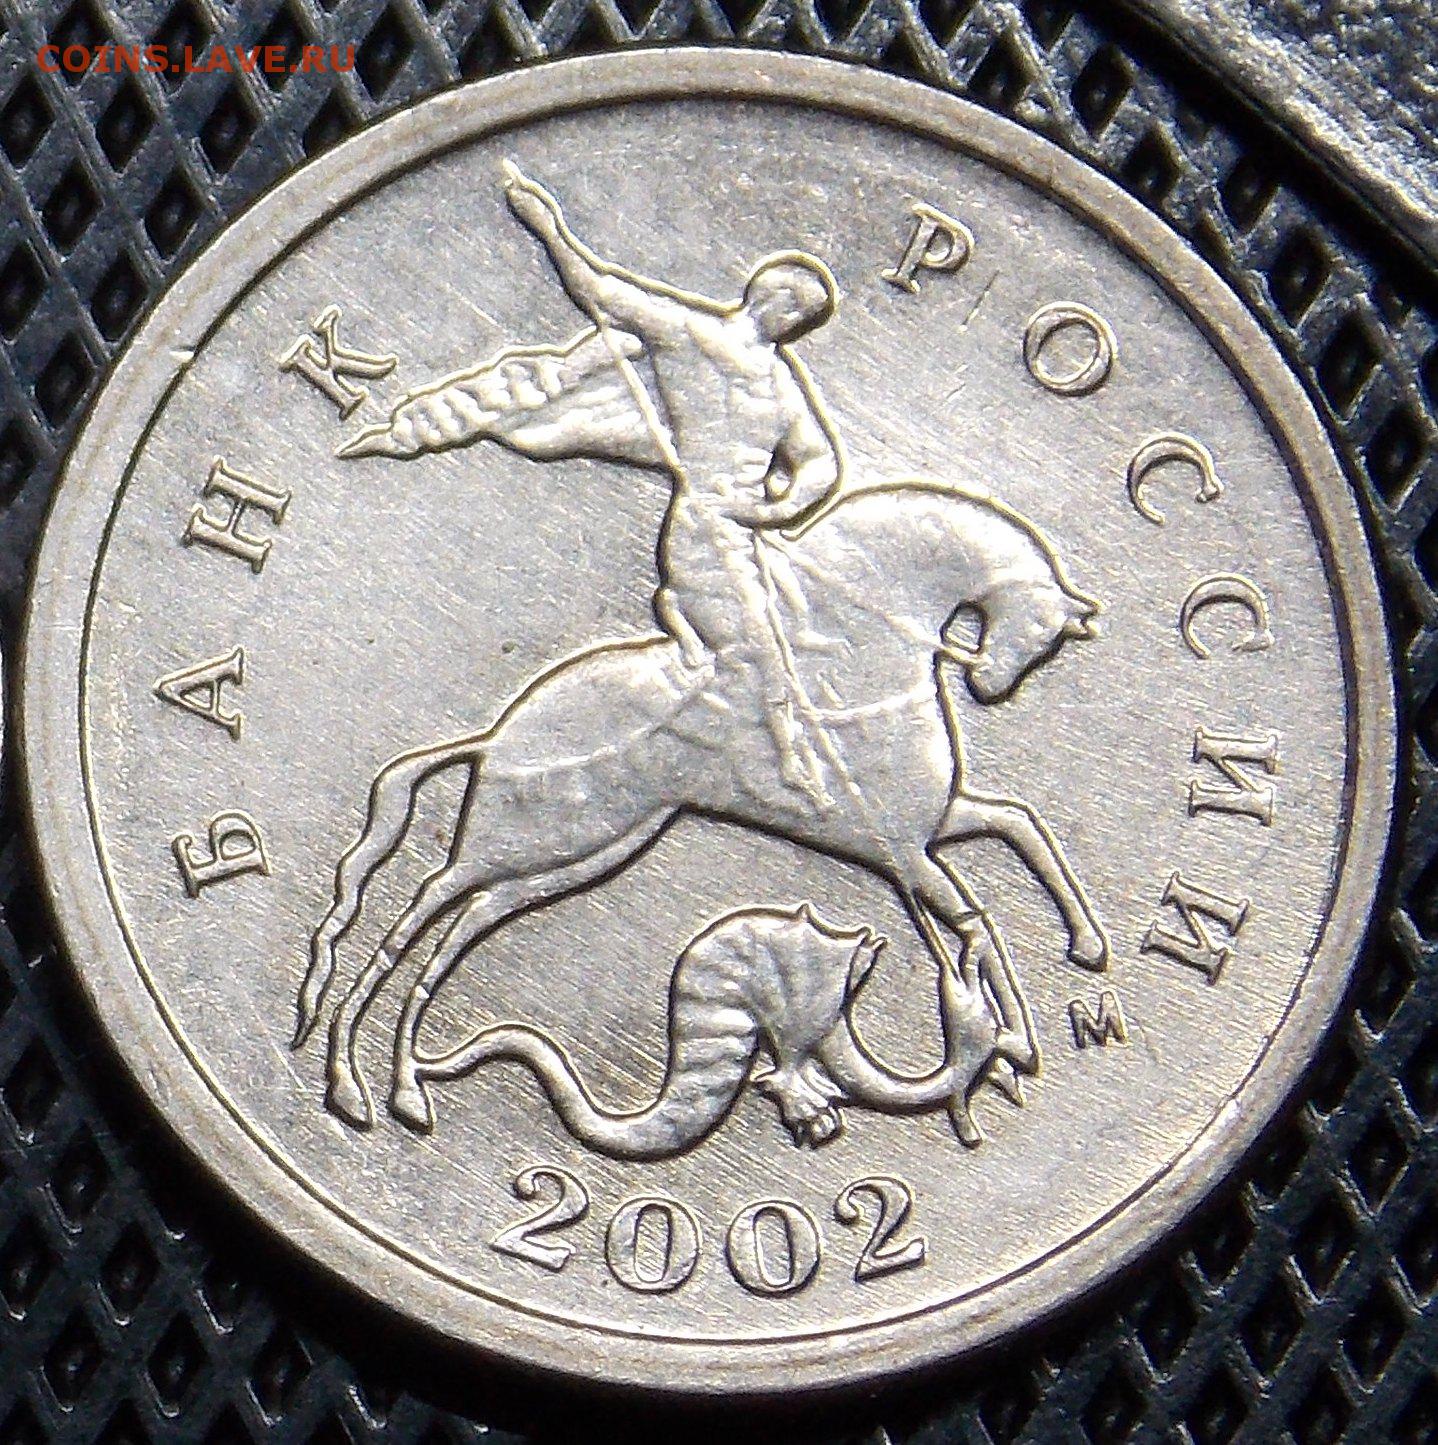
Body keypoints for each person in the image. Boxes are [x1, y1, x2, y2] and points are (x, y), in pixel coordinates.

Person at [347, 165, 847, 800]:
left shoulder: (779, 382)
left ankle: (688, 630)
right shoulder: (690, 335)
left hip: (742, 525)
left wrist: (778, 509)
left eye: (807, 317)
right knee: (763, 647)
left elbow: (819, 459)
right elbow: (599, 288)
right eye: (797, 306)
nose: (797, 321)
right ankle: (789, 758)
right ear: (768, 295)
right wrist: (548, 228)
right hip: (705, 527)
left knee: (809, 620)